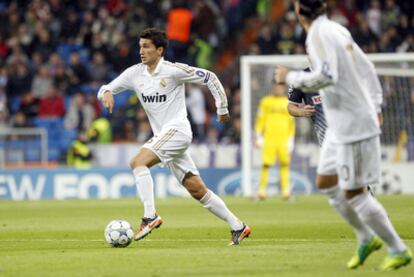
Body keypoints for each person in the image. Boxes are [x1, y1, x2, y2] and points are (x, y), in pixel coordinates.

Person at [275, 0, 411, 271]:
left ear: (300, 11)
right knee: (326, 181)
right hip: (340, 125)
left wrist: (290, 77)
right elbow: (367, 69)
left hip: (353, 124)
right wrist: (377, 102)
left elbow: (327, 76)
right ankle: (366, 237)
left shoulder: (318, 35)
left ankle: (398, 248)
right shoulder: (337, 30)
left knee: (355, 193)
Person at [98, 28, 251, 245]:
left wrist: (222, 107)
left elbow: (210, 77)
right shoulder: (134, 74)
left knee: (137, 162)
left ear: (160, 50)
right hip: (164, 137)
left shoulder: (173, 71)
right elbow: (106, 87)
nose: (141, 51)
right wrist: (106, 93)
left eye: (147, 47)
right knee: (197, 189)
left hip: (178, 130)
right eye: (140, 46)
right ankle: (238, 226)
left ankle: (150, 216)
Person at [255, 79, 295, 200]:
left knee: (285, 164)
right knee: (266, 164)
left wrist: (291, 139)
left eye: (280, 87)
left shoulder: (288, 102)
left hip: (283, 138)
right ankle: (262, 191)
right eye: (276, 86)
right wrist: (258, 135)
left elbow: (291, 122)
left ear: (283, 88)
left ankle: (286, 192)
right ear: (273, 87)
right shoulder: (265, 102)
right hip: (269, 137)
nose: (278, 89)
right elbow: (260, 119)